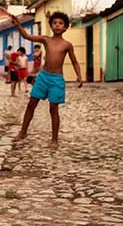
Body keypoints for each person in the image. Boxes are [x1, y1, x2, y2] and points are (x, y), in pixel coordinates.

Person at [11, 12, 82, 149]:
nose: (57, 25)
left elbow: (74, 61)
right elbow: (27, 36)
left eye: (61, 23)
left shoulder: (67, 45)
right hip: (43, 77)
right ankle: (23, 131)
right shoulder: (46, 40)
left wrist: (79, 75)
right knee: (31, 104)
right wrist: (18, 25)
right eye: (55, 23)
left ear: (65, 27)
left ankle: (54, 139)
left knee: (53, 109)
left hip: (56, 80)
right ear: (51, 26)